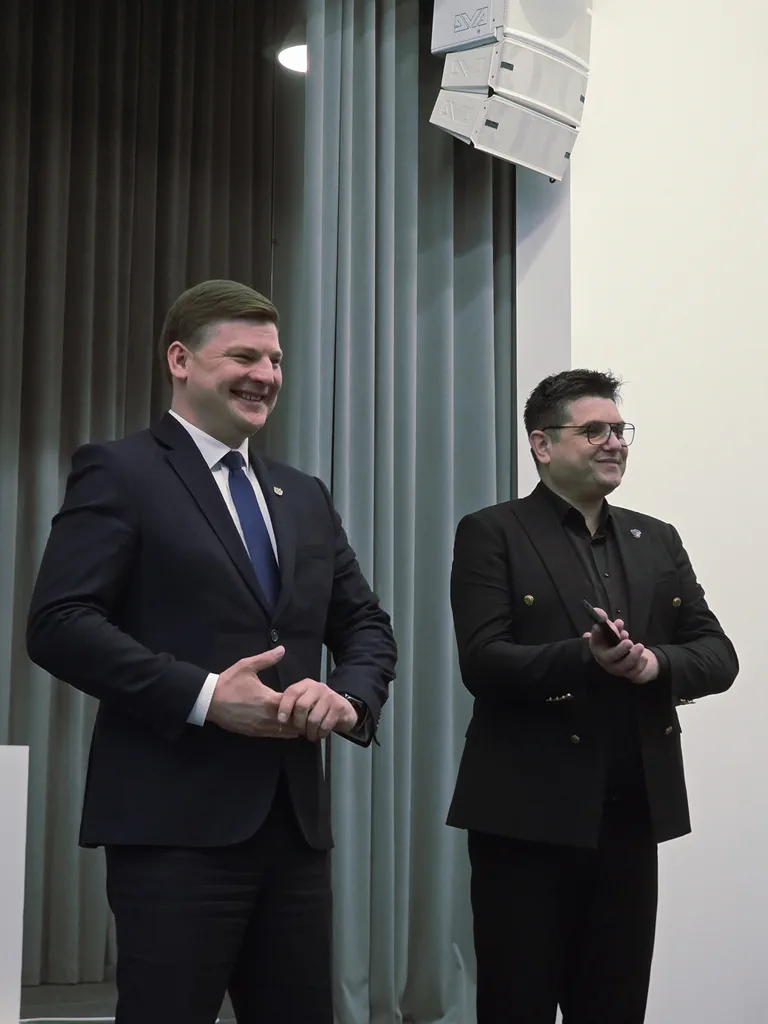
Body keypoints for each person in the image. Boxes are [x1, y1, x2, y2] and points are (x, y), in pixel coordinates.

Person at [26, 280, 397, 1024]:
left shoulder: (304, 494)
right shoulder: (120, 471)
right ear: (180, 360)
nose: (266, 375)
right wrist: (204, 697)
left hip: (294, 828)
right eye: (244, 356)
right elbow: (60, 622)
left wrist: (348, 697)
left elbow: (364, 624)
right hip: (172, 828)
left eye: (276, 359)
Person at [447, 369, 737, 1024]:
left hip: (631, 813)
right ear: (542, 444)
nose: (614, 442)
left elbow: (719, 655)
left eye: (619, 429)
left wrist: (653, 664)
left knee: (614, 1005)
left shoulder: (656, 538)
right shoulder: (493, 532)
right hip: (524, 817)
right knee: (516, 1004)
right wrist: (586, 657)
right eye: (594, 430)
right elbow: (483, 662)